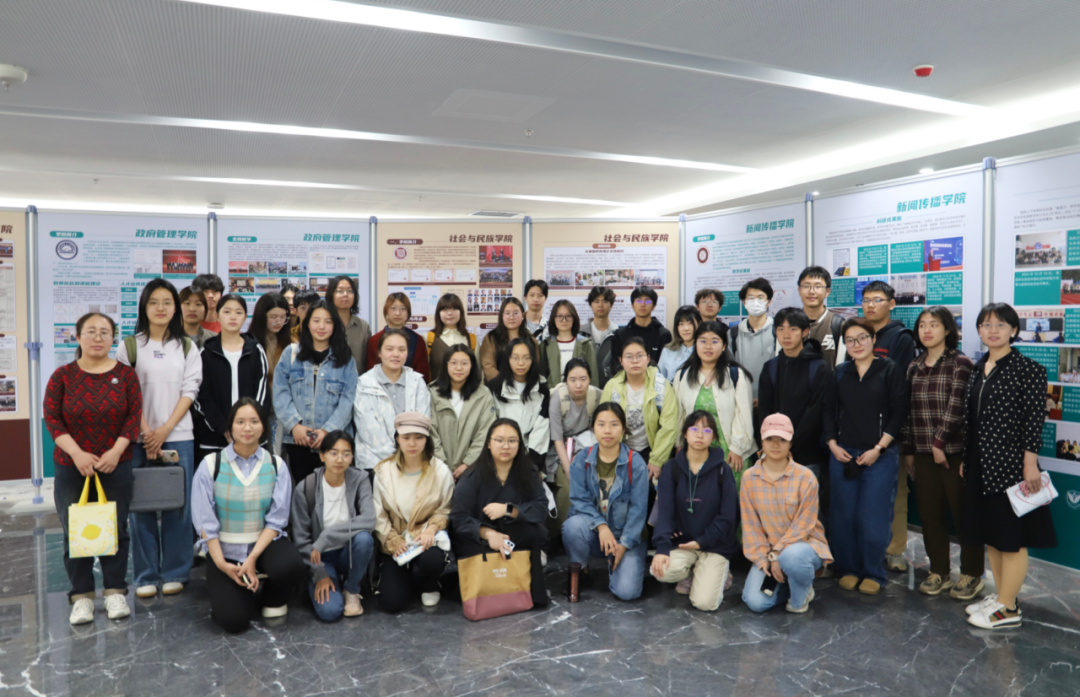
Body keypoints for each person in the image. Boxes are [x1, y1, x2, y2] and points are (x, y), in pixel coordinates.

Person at [963, 303, 1057, 629]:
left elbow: (1033, 421)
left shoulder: (1028, 369)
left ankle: (1008, 608)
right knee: (992, 534)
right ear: (979, 330)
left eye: (1001, 325)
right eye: (986, 324)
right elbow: (970, 420)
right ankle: (1004, 596)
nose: (993, 330)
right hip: (980, 464)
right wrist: (967, 461)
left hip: (1013, 466)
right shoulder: (978, 368)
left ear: (1014, 330)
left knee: (1011, 538)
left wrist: (1030, 464)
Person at [45, 312, 142, 625]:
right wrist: (77, 454)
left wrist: (115, 451)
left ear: (113, 338)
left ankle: (115, 591)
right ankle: (82, 596)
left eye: (104, 332)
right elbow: (53, 419)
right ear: (78, 337)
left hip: (116, 463)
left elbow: (133, 416)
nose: (98, 338)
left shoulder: (126, 376)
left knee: (116, 528)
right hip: (71, 465)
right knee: (76, 530)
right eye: (91, 331)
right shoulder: (62, 376)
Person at [116, 279, 202, 600]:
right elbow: (126, 393)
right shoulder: (129, 346)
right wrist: (147, 432)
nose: (161, 308)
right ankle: (146, 574)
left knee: (179, 506)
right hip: (138, 438)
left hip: (178, 436)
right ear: (144, 307)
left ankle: (176, 571)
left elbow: (190, 390)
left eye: (167, 302)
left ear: (175, 308)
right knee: (140, 507)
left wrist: (164, 430)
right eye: (154, 302)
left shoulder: (187, 346)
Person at [192, 398, 306, 632]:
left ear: (263, 426)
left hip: (263, 545)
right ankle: (237, 595)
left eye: (254, 421)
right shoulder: (211, 465)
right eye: (240, 422)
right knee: (233, 622)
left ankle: (272, 598)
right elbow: (205, 523)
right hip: (224, 550)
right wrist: (222, 564)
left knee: (292, 565)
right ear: (230, 427)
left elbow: (277, 520)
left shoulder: (276, 465)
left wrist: (252, 558)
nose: (247, 428)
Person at [900, 307, 983, 599]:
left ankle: (972, 574)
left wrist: (939, 444)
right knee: (930, 514)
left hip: (955, 453)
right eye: (922, 325)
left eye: (934, 324)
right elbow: (908, 412)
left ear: (947, 329)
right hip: (923, 453)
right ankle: (940, 571)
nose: (927, 330)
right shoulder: (914, 365)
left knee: (963, 515)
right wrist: (908, 449)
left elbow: (956, 408)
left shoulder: (960, 363)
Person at [823, 317, 909, 595]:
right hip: (843, 454)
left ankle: (873, 572)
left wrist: (879, 448)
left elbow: (899, 412)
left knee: (873, 517)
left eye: (862, 338)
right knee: (843, 516)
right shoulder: (839, 373)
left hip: (879, 455)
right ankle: (848, 568)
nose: (856, 344)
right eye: (850, 340)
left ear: (873, 340)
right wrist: (832, 444)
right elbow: (828, 411)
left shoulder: (889, 370)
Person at [451, 419, 551, 609]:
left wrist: (508, 509)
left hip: (511, 532)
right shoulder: (472, 476)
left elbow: (540, 508)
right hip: (479, 538)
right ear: (489, 443)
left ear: (519, 445)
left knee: (533, 531)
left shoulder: (529, 472)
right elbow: (458, 518)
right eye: (499, 440)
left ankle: (532, 593)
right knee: (464, 539)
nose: (506, 446)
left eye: (512, 441)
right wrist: (487, 533)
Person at [741, 413, 832, 614]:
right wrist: (765, 559)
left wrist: (777, 554)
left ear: (790, 443)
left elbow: (803, 526)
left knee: (792, 557)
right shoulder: (749, 478)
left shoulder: (806, 477)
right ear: (761, 442)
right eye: (770, 439)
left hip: (805, 547)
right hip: (769, 552)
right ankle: (791, 584)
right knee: (755, 602)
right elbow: (751, 527)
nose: (776, 444)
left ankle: (800, 598)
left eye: (782, 439)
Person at [651, 411, 739, 612]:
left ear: (714, 437)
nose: (700, 435)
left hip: (715, 545)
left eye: (707, 430)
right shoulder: (671, 468)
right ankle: (692, 571)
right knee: (660, 570)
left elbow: (728, 517)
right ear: (685, 433)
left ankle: (719, 572)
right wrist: (663, 547)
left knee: (704, 603)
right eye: (694, 429)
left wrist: (702, 541)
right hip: (683, 543)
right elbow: (665, 513)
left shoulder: (723, 470)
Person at [562, 403, 649, 601]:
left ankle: (618, 564)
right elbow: (579, 500)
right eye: (601, 424)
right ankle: (581, 570)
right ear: (593, 428)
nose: (607, 430)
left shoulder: (635, 463)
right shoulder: (582, 459)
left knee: (627, 592)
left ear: (623, 428)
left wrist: (623, 545)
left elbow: (638, 511)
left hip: (627, 537)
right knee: (572, 526)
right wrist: (601, 526)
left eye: (614, 424)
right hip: (596, 534)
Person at [859, 280, 917, 572]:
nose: (870, 305)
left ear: (892, 304)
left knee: (896, 493)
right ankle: (866, 547)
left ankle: (895, 550)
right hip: (858, 428)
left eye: (877, 300)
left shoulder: (900, 338)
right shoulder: (857, 333)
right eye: (866, 300)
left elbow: (901, 388)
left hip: (890, 430)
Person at [655, 322, 755, 487]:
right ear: (695, 344)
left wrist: (737, 449)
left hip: (731, 451)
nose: (708, 346)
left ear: (724, 346)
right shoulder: (682, 375)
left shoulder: (736, 375)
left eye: (714, 341)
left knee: (728, 496)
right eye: (703, 341)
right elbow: (678, 414)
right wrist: (679, 444)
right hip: (694, 449)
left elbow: (743, 414)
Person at [373, 413, 455, 611]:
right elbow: (379, 515)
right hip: (397, 541)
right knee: (393, 603)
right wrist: (394, 541)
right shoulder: (384, 472)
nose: (412, 443)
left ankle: (431, 582)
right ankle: (403, 577)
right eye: (406, 437)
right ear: (397, 439)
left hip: (425, 540)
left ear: (426, 440)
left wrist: (432, 529)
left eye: (418, 437)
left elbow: (445, 508)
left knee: (431, 560)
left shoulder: (440, 471)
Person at [290, 431, 376, 621]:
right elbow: (301, 540)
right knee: (330, 612)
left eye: (346, 454)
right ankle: (321, 581)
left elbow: (369, 519)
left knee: (364, 539)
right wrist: (319, 573)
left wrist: (326, 536)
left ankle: (352, 589)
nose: (339, 459)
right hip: (320, 557)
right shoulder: (306, 487)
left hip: (348, 552)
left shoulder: (360, 479)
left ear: (352, 457)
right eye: (333, 453)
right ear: (322, 455)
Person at [274, 299, 359, 484]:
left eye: (328, 321)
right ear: (307, 323)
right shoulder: (291, 354)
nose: (322, 326)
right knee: (302, 493)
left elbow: (349, 399)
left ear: (335, 326)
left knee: (333, 492)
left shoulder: (345, 358)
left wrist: (328, 430)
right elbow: (280, 392)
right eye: (316, 320)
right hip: (298, 441)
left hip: (334, 443)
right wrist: (294, 425)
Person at [193, 294, 270, 465]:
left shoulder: (255, 350)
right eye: (227, 312)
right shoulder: (206, 352)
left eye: (238, 312)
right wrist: (223, 427)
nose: (233, 317)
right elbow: (202, 395)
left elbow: (262, 392)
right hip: (214, 437)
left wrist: (248, 425)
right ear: (217, 315)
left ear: (245, 317)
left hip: (252, 436)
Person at [756, 308, 828, 478]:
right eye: (780, 329)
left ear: (805, 331)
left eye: (793, 329)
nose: (786, 335)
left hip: (809, 454)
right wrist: (774, 444)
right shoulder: (770, 367)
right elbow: (764, 409)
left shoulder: (819, 367)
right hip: (775, 452)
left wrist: (790, 443)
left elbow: (815, 412)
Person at [353, 329, 432, 471]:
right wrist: (398, 458)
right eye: (389, 349)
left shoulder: (417, 382)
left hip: (413, 460)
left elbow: (422, 422)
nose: (396, 354)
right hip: (374, 463)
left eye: (402, 349)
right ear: (379, 352)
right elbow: (368, 430)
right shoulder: (364, 383)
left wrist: (407, 456)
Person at [549, 357, 602, 533]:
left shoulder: (597, 396)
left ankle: (591, 528)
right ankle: (561, 532)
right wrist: (568, 468)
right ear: (566, 381)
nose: (578, 385)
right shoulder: (558, 398)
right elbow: (557, 438)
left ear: (590, 379)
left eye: (583, 379)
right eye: (572, 380)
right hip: (559, 451)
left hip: (586, 447)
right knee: (567, 486)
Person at [429, 344, 496, 480]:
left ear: (472, 366)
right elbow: (430, 431)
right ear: (445, 365)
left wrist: (467, 464)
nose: (459, 368)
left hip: (474, 470)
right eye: (453, 363)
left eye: (464, 363)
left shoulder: (483, 394)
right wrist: (442, 465)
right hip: (436, 468)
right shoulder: (431, 392)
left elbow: (485, 432)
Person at [486, 337, 551, 471]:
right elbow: (489, 425)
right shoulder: (493, 388)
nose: (521, 363)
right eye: (515, 358)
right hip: (497, 454)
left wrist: (531, 466)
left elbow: (541, 430)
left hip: (529, 457)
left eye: (526, 358)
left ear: (533, 360)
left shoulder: (542, 389)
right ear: (507, 359)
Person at [248, 292, 292, 453]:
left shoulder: (292, 345)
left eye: (283, 317)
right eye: (273, 317)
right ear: (261, 316)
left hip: (285, 413)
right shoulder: (248, 344)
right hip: (256, 410)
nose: (278, 322)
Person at [366, 292, 430, 382]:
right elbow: (370, 373)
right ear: (386, 311)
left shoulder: (417, 340)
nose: (398, 313)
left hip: (411, 388)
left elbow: (423, 375)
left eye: (403, 309)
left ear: (408, 313)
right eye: (393, 308)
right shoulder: (374, 340)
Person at [730, 278, 776, 400]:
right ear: (744, 302)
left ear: (769, 301)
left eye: (760, 297)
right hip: (740, 398)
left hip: (771, 399)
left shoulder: (778, 331)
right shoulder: (733, 333)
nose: (755, 302)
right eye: (750, 298)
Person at [541, 299, 598, 387]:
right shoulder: (545, 345)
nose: (564, 320)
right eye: (559, 316)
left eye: (568, 316)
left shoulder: (586, 344)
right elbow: (541, 377)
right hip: (552, 393)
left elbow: (593, 378)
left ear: (574, 318)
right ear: (553, 318)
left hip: (580, 392)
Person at [797, 266, 846, 368]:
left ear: (827, 291)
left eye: (818, 286)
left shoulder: (839, 325)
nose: (811, 291)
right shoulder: (790, 323)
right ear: (799, 290)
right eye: (806, 286)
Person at [479, 297, 537, 381]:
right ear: (502, 316)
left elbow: (536, 366)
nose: (511, 317)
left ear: (523, 316)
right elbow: (488, 366)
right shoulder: (491, 338)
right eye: (507, 313)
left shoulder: (531, 339)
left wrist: (521, 384)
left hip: (525, 386)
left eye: (515, 313)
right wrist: (508, 384)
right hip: (497, 386)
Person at [612, 286, 672, 367]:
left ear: (654, 306)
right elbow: (616, 364)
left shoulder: (663, 334)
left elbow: (666, 365)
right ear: (632, 305)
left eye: (647, 301)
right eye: (639, 300)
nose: (643, 304)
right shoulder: (620, 334)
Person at [325, 275, 371, 376]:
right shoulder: (324, 324)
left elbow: (367, 360)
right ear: (331, 295)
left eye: (350, 291)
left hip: (358, 381)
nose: (345, 295)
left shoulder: (363, 326)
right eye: (340, 291)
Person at [426, 293, 476, 383]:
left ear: (461, 312)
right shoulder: (428, 338)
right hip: (436, 390)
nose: (449, 313)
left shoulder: (471, 339)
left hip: (467, 390)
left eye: (454, 308)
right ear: (438, 313)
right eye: (445, 309)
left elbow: (477, 371)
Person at [580, 286, 619, 388]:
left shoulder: (618, 334)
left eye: (605, 301)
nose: (600, 305)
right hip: (584, 388)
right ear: (591, 305)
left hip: (611, 388)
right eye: (596, 301)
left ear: (611, 305)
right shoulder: (580, 333)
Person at [658, 305, 701, 381]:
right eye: (681, 324)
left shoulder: (704, 350)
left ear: (699, 323)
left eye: (690, 323)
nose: (686, 328)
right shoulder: (667, 350)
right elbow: (659, 379)